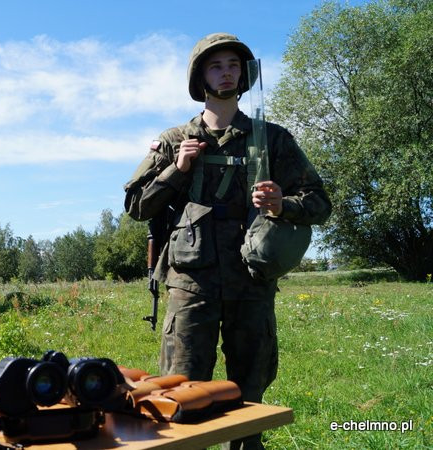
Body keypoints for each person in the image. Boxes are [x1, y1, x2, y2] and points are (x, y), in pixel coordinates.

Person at [123, 33, 331, 449]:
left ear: (244, 74)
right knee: (181, 392)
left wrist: (281, 204)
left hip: (250, 282)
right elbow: (135, 206)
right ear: (200, 77)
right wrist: (177, 170)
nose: (226, 73)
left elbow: (320, 203)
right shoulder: (173, 140)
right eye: (216, 66)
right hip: (190, 282)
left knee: (249, 395)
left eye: (233, 65)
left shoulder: (272, 139)